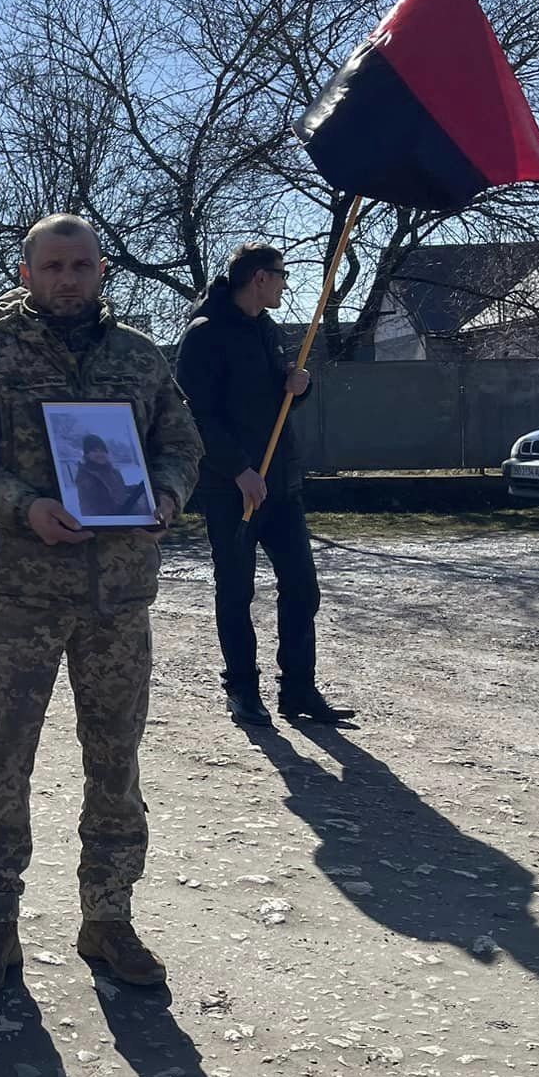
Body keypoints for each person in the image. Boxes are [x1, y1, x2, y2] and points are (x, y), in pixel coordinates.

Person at [0, 215, 202, 993]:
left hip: (118, 601)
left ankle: (109, 916)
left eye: (81, 265)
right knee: (0, 759)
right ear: (26, 273)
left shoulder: (139, 358)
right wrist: (24, 507)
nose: (67, 279)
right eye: (52, 265)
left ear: (102, 270)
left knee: (115, 763)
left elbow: (182, 445)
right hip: (22, 596)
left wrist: (169, 494)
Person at [176, 244, 353, 729]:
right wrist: (238, 470)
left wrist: (299, 386)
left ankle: (297, 689)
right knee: (235, 589)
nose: (285, 284)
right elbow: (196, 416)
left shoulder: (266, 330)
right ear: (258, 277)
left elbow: (276, 401)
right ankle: (242, 690)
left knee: (301, 586)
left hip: (280, 482)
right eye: (281, 275)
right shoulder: (205, 335)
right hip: (229, 487)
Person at [72, 434, 150, 519]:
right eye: (94, 451)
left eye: (102, 451)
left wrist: (137, 488)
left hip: (128, 514)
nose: (99, 454)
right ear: (87, 454)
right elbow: (87, 509)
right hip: (112, 522)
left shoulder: (114, 472)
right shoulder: (86, 477)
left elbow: (120, 490)